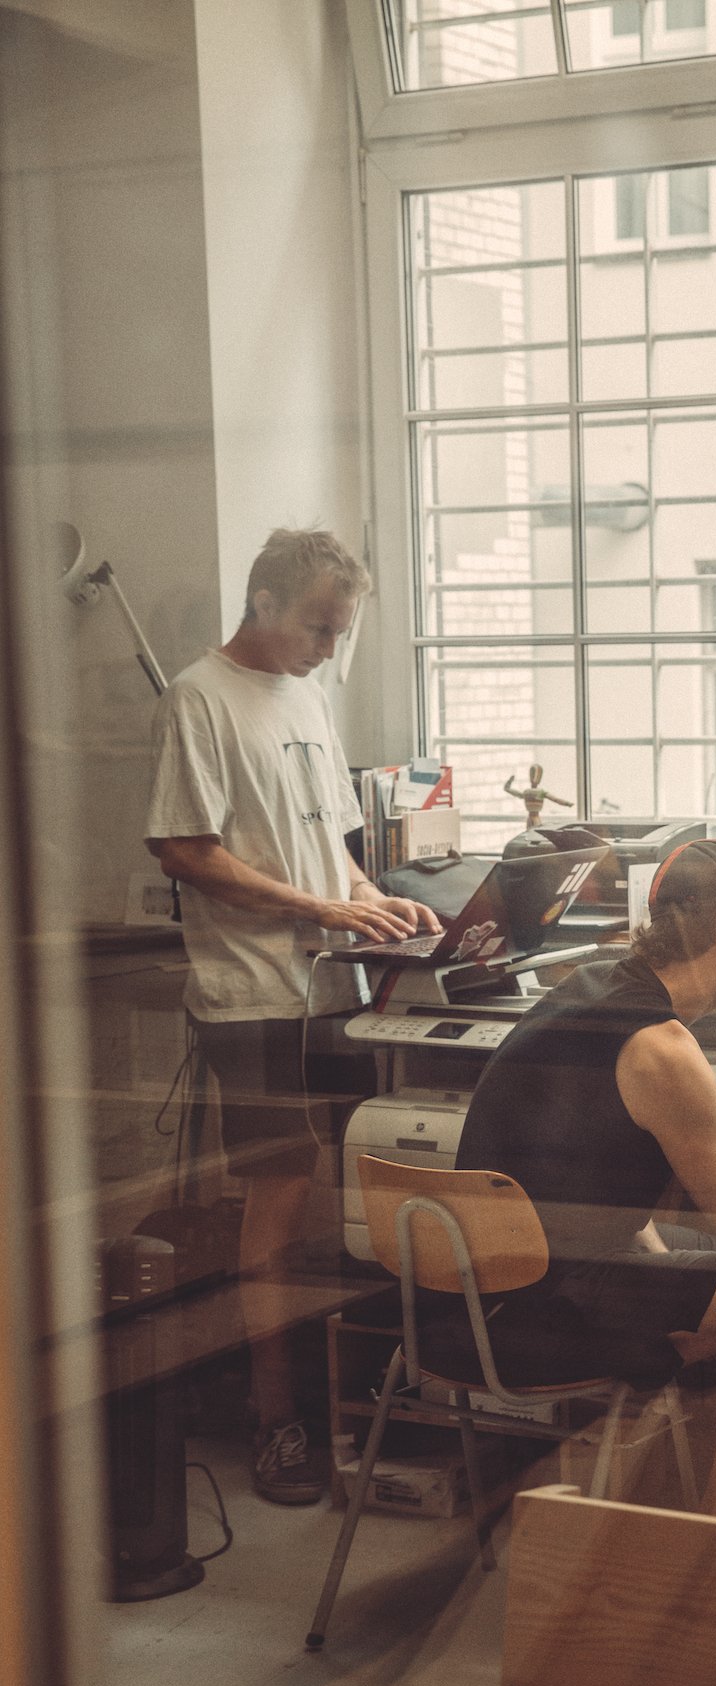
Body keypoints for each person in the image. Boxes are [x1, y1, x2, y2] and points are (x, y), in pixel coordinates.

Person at [145, 529, 443, 1503]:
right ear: (265, 601)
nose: (329, 644)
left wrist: (376, 902)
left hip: (333, 988)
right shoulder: (199, 696)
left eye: (341, 628)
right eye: (320, 624)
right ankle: (275, 1421)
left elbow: (333, 847)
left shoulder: (309, 694)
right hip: (252, 996)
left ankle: (356, 1398)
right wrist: (323, 908)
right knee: (277, 1203)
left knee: (348, 1189)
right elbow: (185, 848)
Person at [456, 839, 716, 1520]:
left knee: (695, 1255)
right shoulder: (660, 1047)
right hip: (534, 1317)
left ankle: (678, 1485)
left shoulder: (591, 987)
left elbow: (584, 1182)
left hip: (469, 1295)